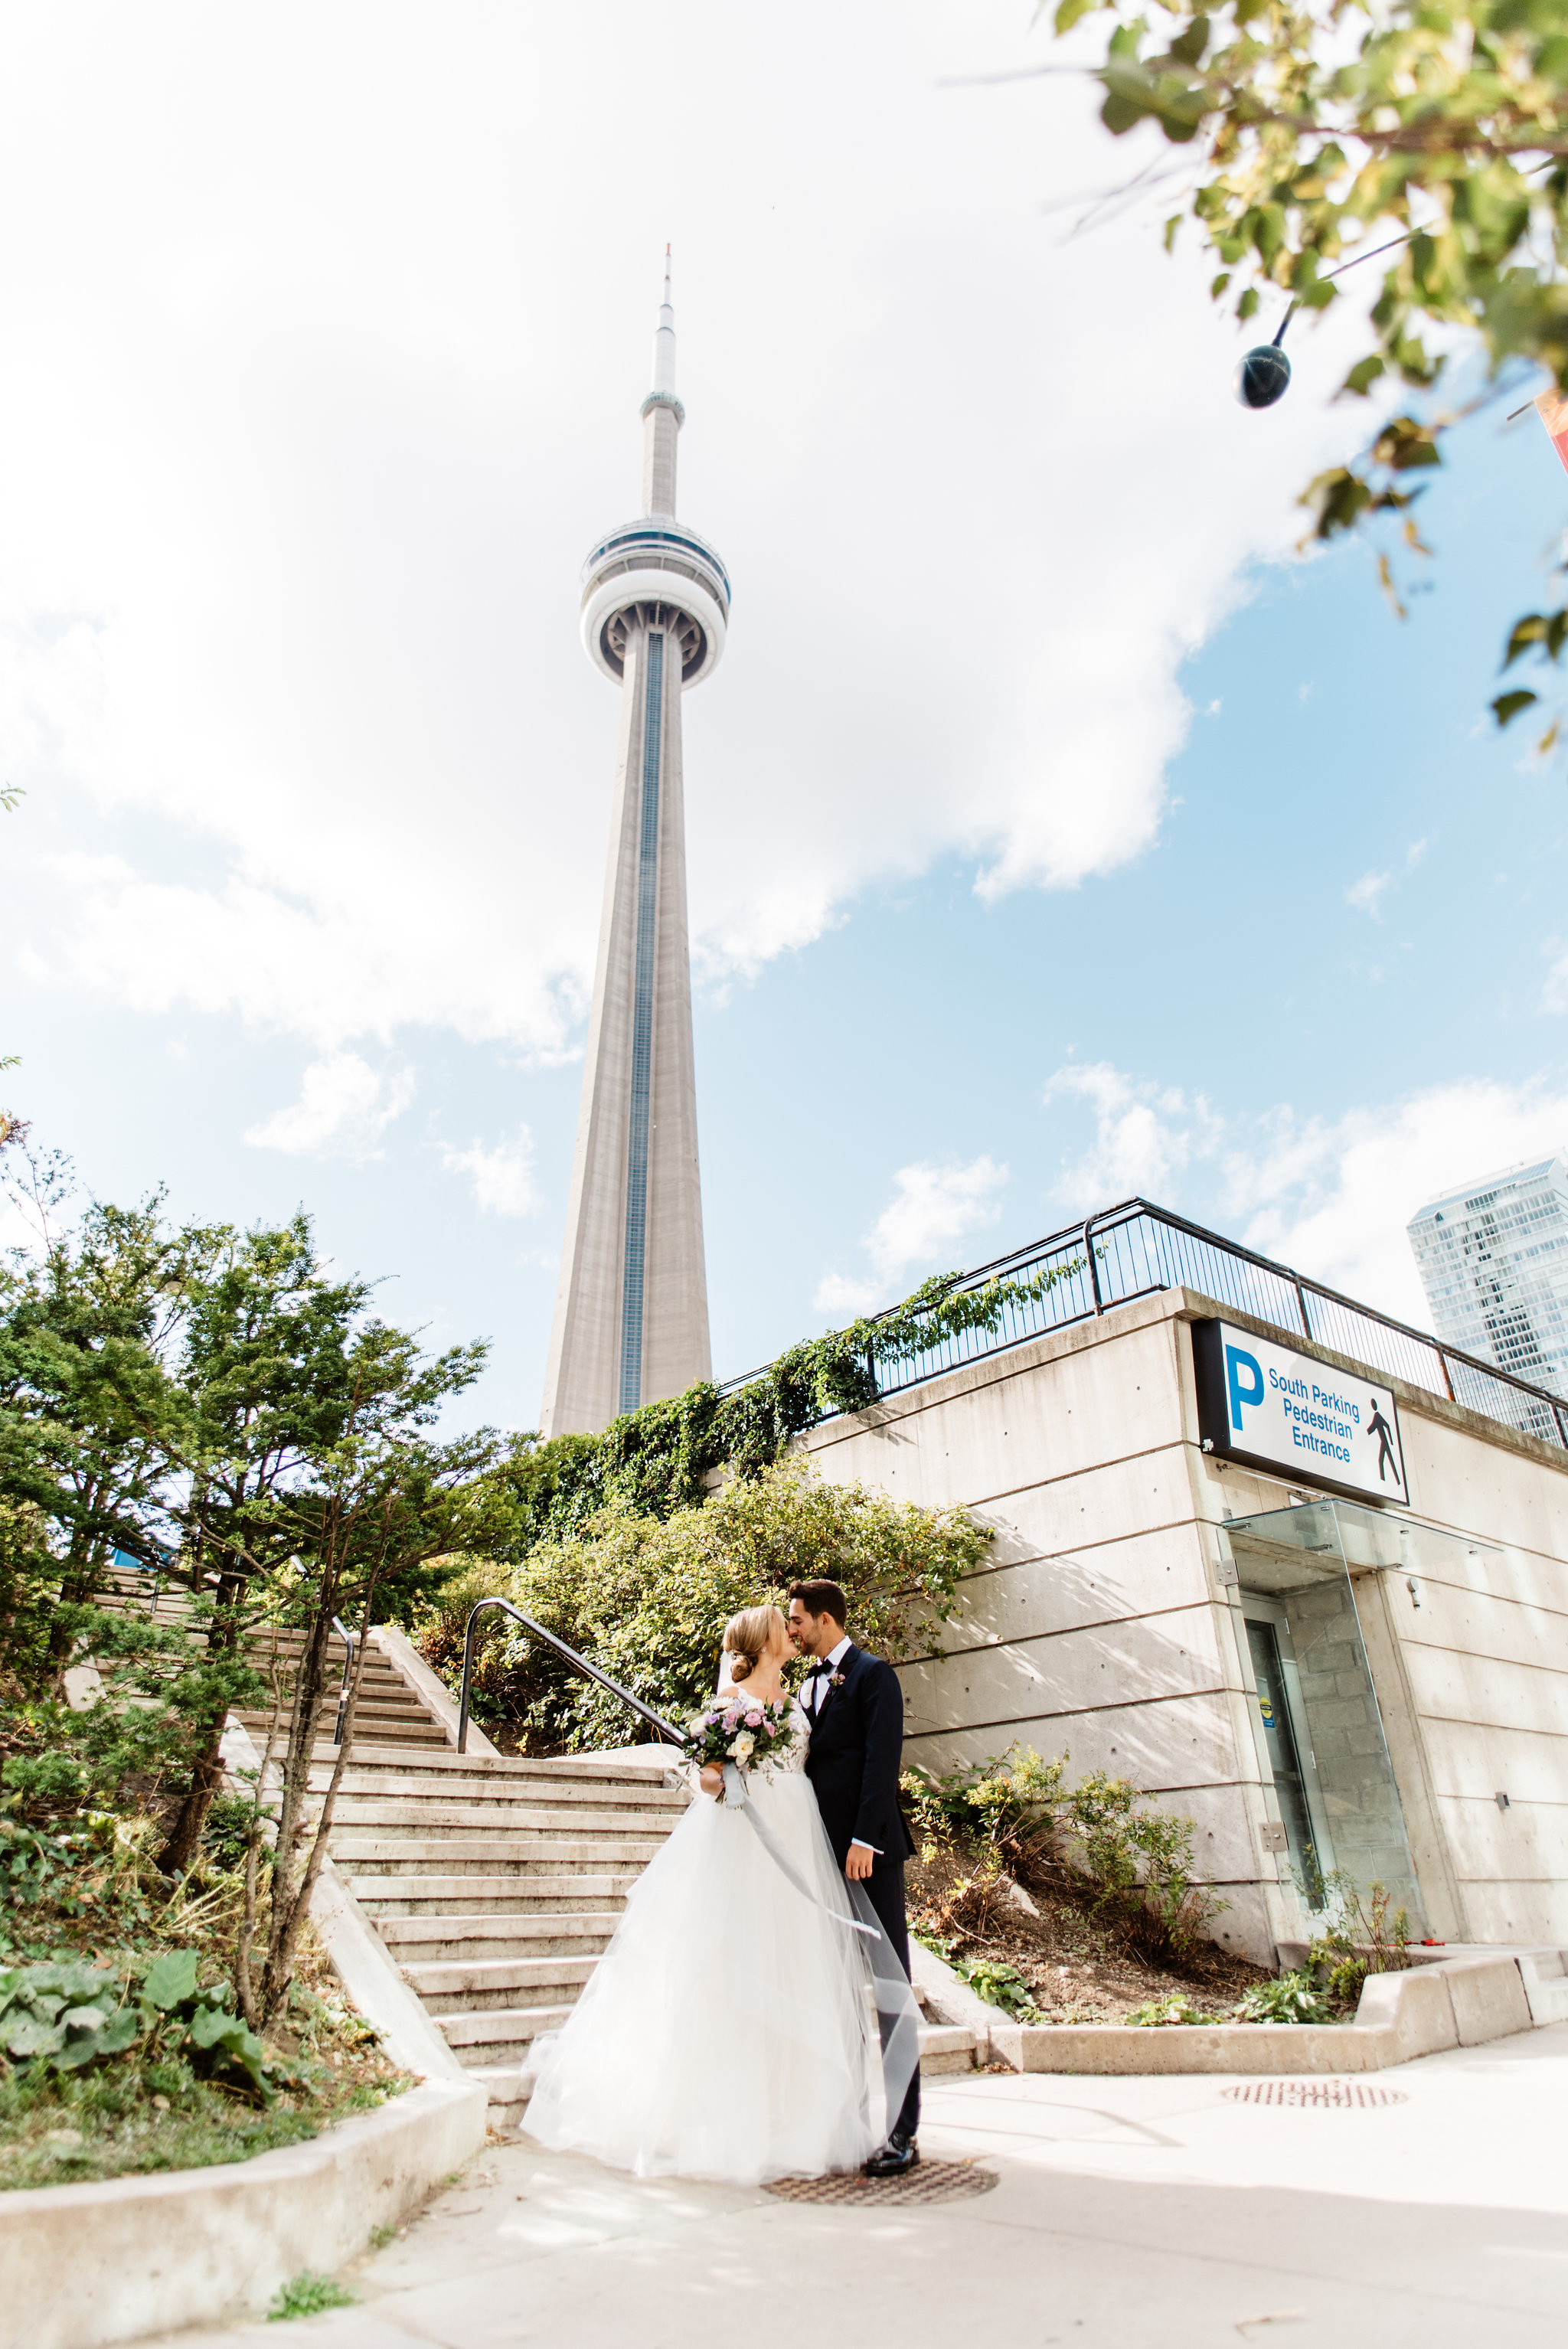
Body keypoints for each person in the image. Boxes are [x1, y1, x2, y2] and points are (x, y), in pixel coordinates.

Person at [521, 1604, 885, 2185]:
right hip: (745, 1838)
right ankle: (725, 2121)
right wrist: (724, 1774)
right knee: (734, 1967)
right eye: (780, 1626)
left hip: (800, 1834)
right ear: (762, 1641)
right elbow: (708, 1778)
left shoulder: (797, 1703)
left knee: (796, 1966)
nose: (790, 1632)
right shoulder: (729, 1706)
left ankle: (793, 2118)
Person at [786, 1576, 920, 2176]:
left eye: (797, 1620)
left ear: (824, 1620)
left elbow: (880, 1761)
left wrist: (866, 1837)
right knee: (836, 1990)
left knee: (891, 1990)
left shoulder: (873, 1676)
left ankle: (903, 2134)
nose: (791, 1629)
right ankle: (849, 2120)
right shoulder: (807, 1683)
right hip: (819, 1853)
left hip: (868, 1854)